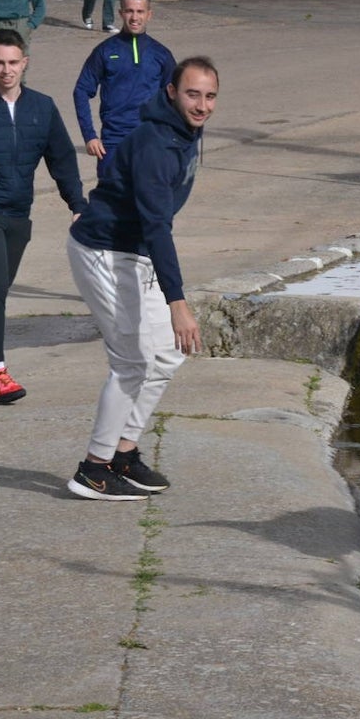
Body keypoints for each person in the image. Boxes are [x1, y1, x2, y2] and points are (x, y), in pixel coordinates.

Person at [65, 56, 219, 501]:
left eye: (210, 96)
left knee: (169, 354)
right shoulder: (155, 143)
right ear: (171, 92)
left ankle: (122, 452)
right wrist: (178, 302)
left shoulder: (185, 130)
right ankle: (93, 469)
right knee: (131, 360)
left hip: (135, 251)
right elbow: (157, 225)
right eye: (192, 94)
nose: (202, 105)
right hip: (103, 250)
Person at [0, 30, 86, 404]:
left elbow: (62, 158)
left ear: (25, 63)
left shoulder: (42, 108)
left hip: (18, 214)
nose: (6, 70)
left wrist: (78, 204)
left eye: (13, 62)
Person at [73, 0, 175, 177]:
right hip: (113, 142)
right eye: (129, 11)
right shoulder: (104, 51)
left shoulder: (161, 54)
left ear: (149, 15)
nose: (134, 17)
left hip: (149, 142)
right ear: (120, 13)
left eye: (140, 12)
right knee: (110, 203)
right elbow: (81, 91)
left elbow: (176, 99)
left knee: (148, 203)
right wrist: (90, 136)